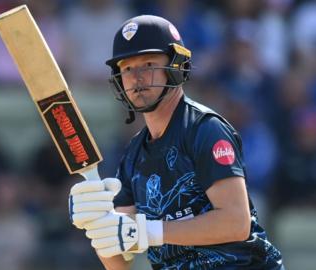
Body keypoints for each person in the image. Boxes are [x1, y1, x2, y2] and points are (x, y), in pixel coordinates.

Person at [68, 15, 284, 269]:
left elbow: (236, 222)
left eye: (148, 64)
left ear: (176, 66)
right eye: (127, 69)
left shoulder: (205, 130)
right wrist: (98, 224)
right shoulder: (134, 155)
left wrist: (148, 232)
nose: (136, 78)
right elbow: (119, 262)